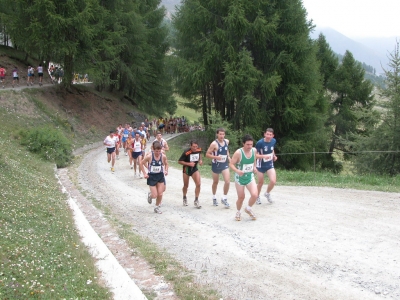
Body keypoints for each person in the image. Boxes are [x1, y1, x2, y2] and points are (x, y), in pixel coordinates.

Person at [229, 134, 258, 221]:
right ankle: (238, 212)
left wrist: (255, 167)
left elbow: (254, 160)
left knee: (255, 195)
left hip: (249, 176)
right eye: (247, 144)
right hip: (240, 178)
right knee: (241, 197)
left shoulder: (254, 150)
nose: (249, 146)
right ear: (243, 144)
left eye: (251, 144)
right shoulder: (238, 153)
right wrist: (237, 171)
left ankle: (248, 208)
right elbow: (231, 164)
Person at [140, 141, 168, 214]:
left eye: (159, 151)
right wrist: (145, 173)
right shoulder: (149, 156)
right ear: (153, 150)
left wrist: (166, 170)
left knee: (160, 193)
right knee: (155, 195)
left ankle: (156, 207)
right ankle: (150, 195)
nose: (158, 153)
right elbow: (141, 163)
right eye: (156, 151)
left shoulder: (163, 156)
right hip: (152, 176)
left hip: (160, 176)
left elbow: (166, 164)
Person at [205, 127, 231, 208]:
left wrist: (229, 157)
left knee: (227, 181)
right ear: (217, 134)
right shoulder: (214, 144)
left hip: (224, 164)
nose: (222, 136)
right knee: (215, 182)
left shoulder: (227, 141)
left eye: (223, 134)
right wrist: (216, 157)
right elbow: (207, 154)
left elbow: (226, 150)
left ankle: (224, 198)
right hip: (216, 164)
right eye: (220, 134)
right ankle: (214, 197)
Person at [255, 128, 278, 204]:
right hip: (260, 165)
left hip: (269, 164)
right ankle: (257, 196)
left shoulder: (273, 141)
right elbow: (255, 155)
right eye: (267, 134)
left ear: (273, 135)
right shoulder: (260, 143)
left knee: (273, 181)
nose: (268, 136)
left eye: (270, 135)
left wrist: (274, 156)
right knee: (260, 182)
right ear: (264, 134)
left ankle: (267, 193)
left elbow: (272, 149)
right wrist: (264, 156)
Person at [178, 140, 203, 208]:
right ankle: (184, 197)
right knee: (186, 185)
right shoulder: (186, 152)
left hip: (194, 169)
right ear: (190, 146)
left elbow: (200, 154)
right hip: (186, 169)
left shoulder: (199, 149)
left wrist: (200, 160)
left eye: (196, 146)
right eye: (193, 147)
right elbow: (179, 161)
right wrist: (188, 164)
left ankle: (196, 200)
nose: (195, 148)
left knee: (198, 184)